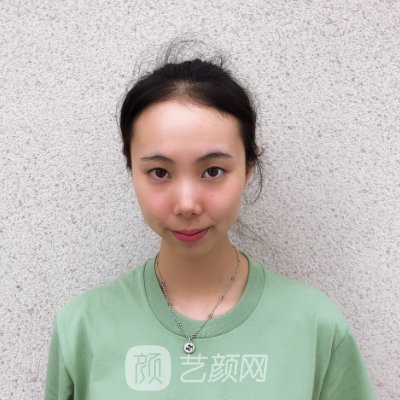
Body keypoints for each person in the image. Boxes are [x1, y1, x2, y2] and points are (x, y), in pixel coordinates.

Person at [44, 55, 376, 399]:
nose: (187, 204)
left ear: (248, 169)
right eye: (159, 172)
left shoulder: (315, 326)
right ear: (131, 169)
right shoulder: (81, 328)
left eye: (213, 171)